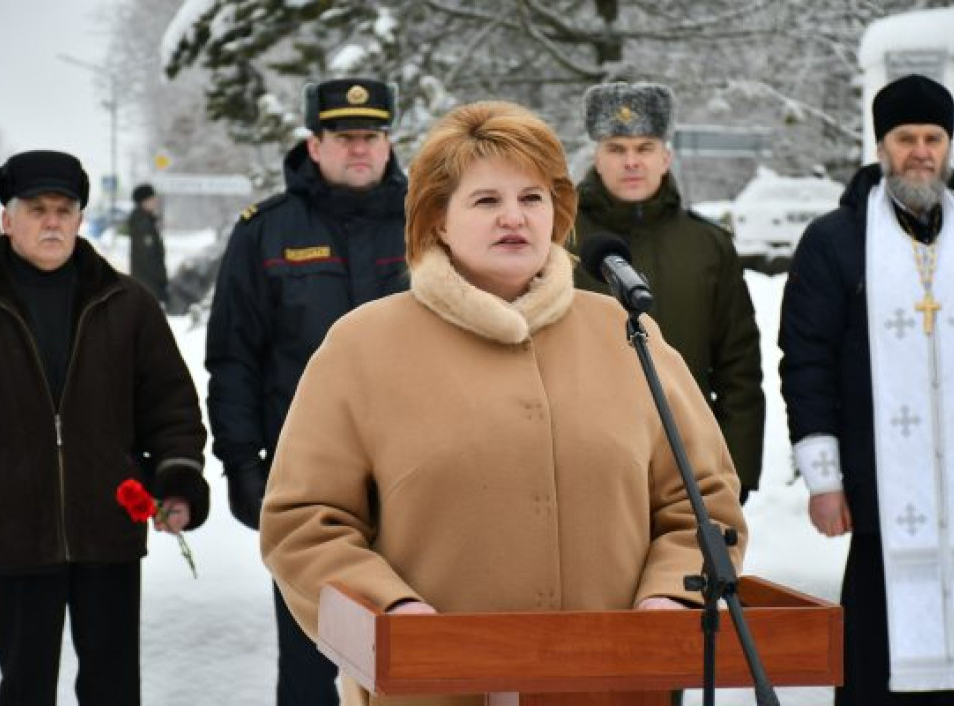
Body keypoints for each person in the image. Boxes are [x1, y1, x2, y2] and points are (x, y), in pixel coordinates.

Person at [259, 100, 747, 706]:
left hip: (614, 686)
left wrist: (670, 597)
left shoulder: (626, 334)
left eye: (533, 198)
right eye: (486, 200)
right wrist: (393, 610)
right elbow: (305, 524)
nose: (513, 218)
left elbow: (701, 501)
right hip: (430, 688)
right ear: (437, 219)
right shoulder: (363, 345)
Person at [779, 74, 954, 705]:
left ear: (949, 144)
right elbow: (807, 360)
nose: (921, 151)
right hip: (881, 497)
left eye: (933, 137)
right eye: (905, 137)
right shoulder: (836, 239)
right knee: (874, 668)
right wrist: (823, 478)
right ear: (881, 145)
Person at [0, 150, 209, 706]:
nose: (52, 221)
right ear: (7, 218)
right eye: (37, 208)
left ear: (79, 218)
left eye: (64, 210)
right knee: (23, 686)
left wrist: (177, 482)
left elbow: (171, 407)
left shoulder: (127, 302)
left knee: (113, 687)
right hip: (15, 527)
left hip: (110, 529)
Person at [205, 77, 407, 705]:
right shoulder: (265, 232)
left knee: (417, 651)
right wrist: (241, 463)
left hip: (419, 477)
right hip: (311, 483)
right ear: (313, 145)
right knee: (310, 661)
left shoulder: (430, 222)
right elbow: (233, 357)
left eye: (371, 136)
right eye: (344, 137)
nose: (359, 150)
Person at [571, 81, 765, 504]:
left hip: (688, 460)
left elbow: (739, 368)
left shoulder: (708, 244)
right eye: (616, 149)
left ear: (666, 156)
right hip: (584, 461)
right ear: (597, 158)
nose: (631, 162)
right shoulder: (560, 241)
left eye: (644, 148)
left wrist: (736, 468)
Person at [125, 183, 168, 305]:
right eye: (152, 198)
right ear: (144, 201)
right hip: (148, 282)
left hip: (146, 281)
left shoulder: (146, 219)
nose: (155, 201)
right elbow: (148, 255)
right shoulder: (142, 222)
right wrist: (160, 279)